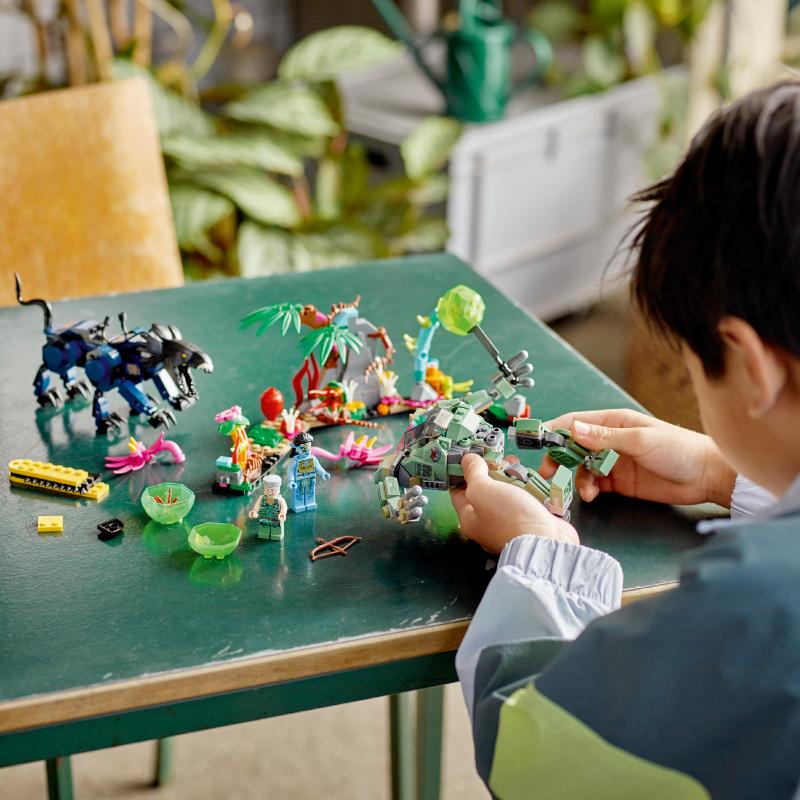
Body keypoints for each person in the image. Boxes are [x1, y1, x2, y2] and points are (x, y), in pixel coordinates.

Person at [451, 81, 800, 799]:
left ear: (749, 365)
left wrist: (543, 558)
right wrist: (722, 473)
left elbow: (536, 760)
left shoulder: (753, 611)